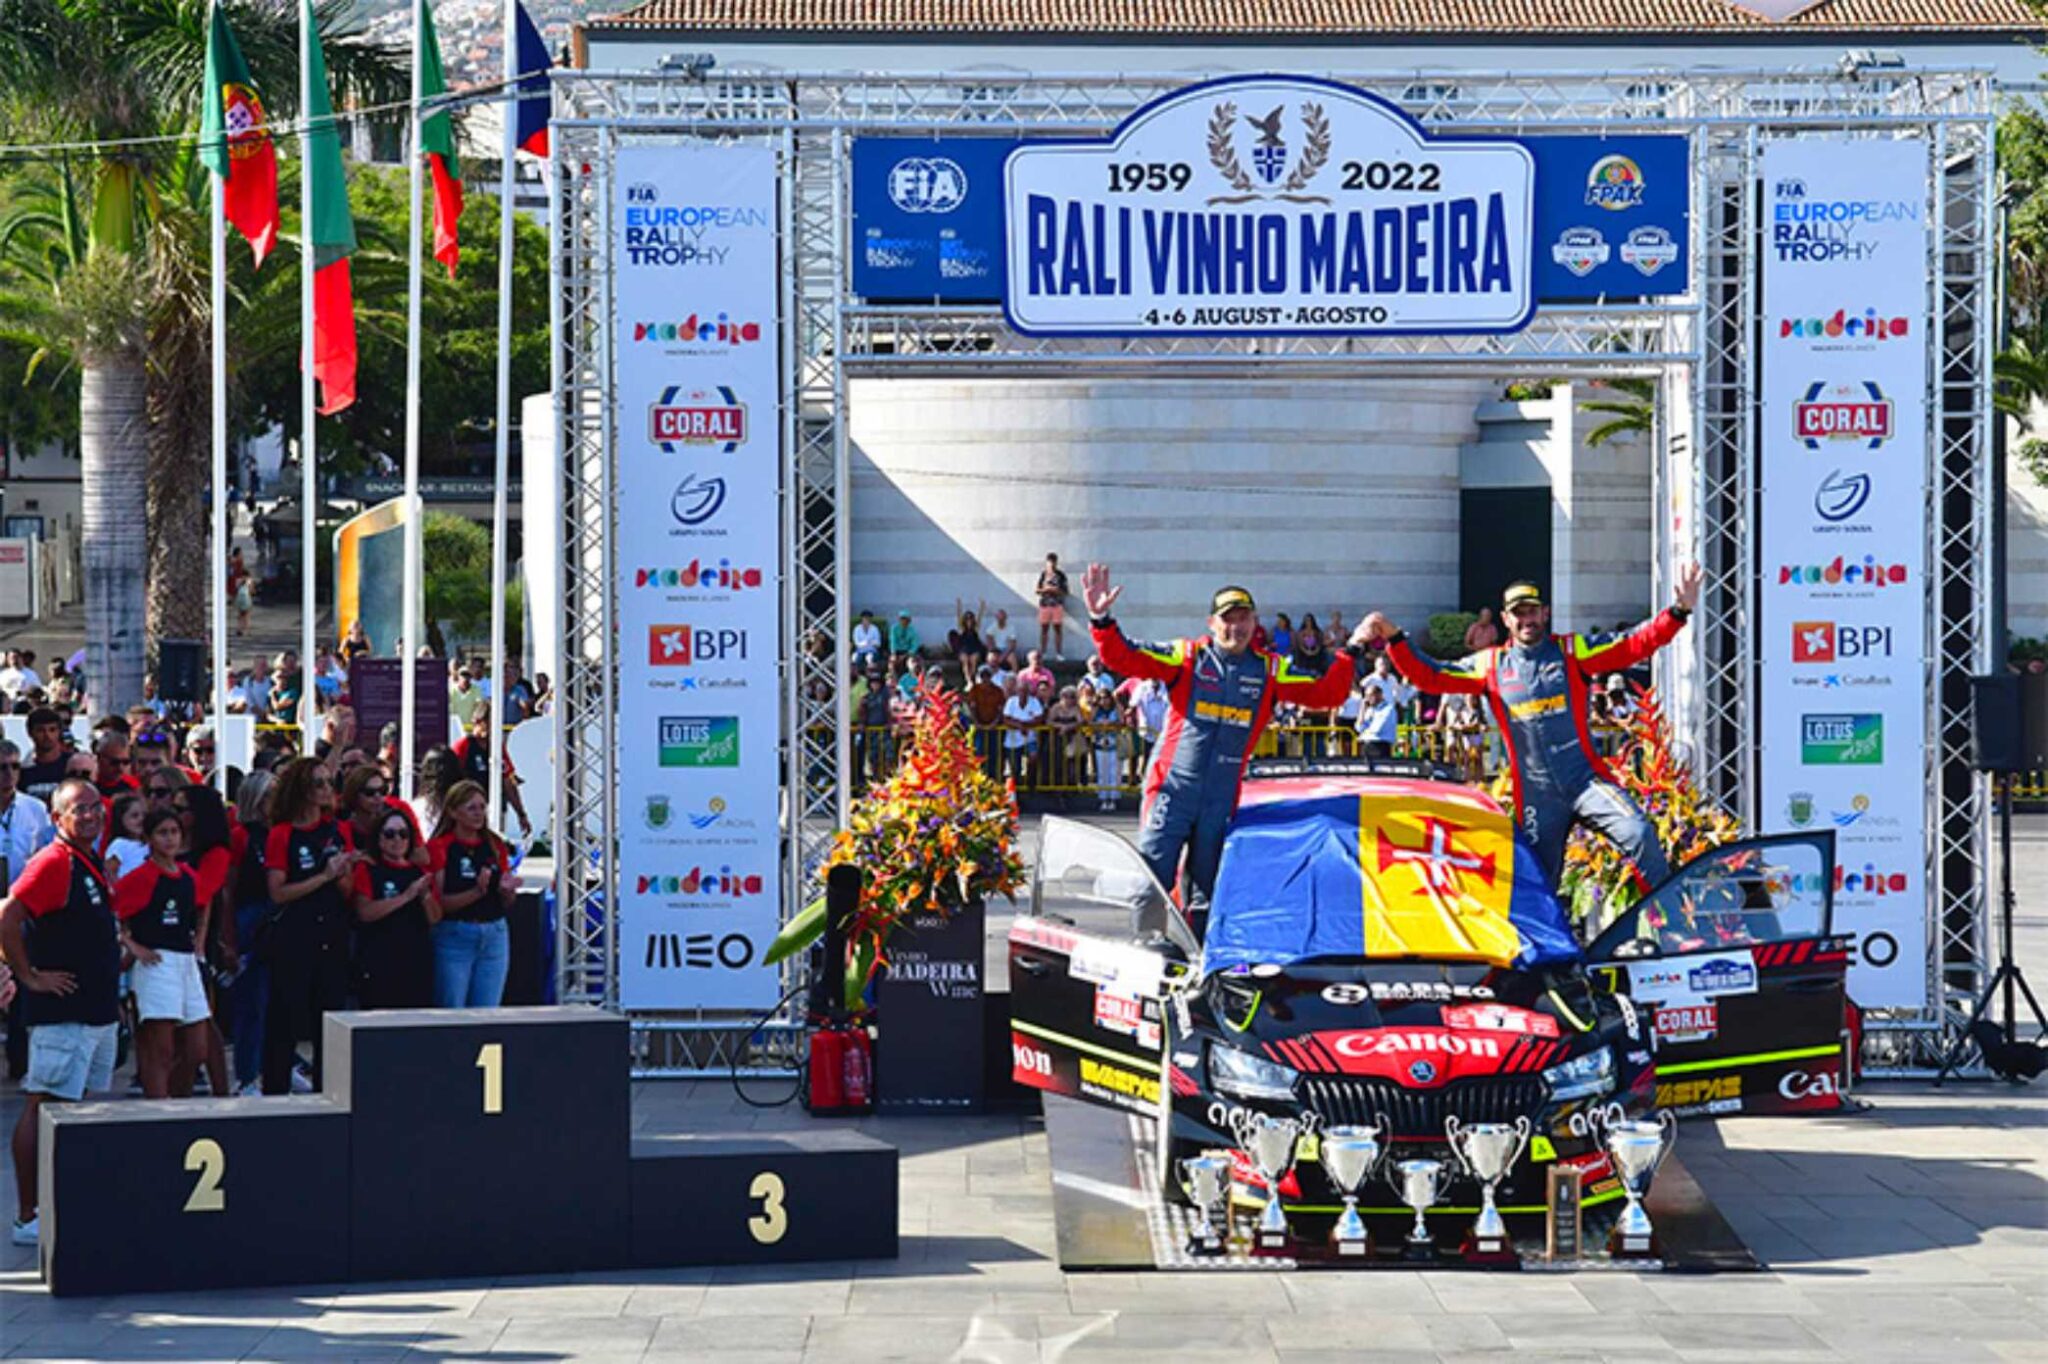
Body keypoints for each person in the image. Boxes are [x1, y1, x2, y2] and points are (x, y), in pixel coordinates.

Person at [1365, 564, 1703, 891]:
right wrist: (1395, 638)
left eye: (1532, 611)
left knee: (1639, 833)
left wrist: (1677, 611)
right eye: (1518, 613)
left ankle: (1665, 930)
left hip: (1586, 781)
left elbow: (1634, 643)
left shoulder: (1572, 651)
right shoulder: (1490, 664)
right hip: (1537, 797)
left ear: (1545, 613)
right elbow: (1431, 676)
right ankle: (1556, 948)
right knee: (1538, 886)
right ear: (1506, 620)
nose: (1526, 620)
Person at [1085, 565, 1364, 908]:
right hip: (1172, 790)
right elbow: (1123, 656)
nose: (1237, 627)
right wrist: (1101, 619)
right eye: (1228, 619)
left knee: (1208, 890)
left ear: (1255, 622)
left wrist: (1352, 650)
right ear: (1212, 624)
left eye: (1244, 618)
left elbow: (1327, 693)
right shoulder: (1187, 656)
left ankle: (1206, 957)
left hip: (1221, 796)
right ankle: (1151, 947)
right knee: (1153, 879)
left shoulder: (1271, 670)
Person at [3, 780, 121, 1246]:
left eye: (95, 808)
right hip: (62, 1011)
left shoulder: (87, 860)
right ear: (57, 818)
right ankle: (28, 1215)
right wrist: (29, 974)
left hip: (95, 1009)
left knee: (80, 1110)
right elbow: (8, 915)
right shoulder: (54, 861)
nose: (90, 816)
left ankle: (67, 1201)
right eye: (79, 810)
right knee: (44, 1104)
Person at [261, 757, 358, 1094]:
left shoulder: (336, 830)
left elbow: (348, 892)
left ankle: (328, 1092)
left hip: (332, 930)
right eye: (318, 783)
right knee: (284, 1018)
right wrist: (323, 876)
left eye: (329, 783)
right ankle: (274, 1091)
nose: (326, 790)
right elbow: (278, 892)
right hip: (295, 933)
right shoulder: (282, 834)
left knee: (329, 1019)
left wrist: (343, 875)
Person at [114, 809, 212, 1099]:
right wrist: (132, 946)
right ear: (149, 838)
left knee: (197, 1048)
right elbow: (111, 912)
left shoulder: (188, 875)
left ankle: (177, 1101)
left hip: (185, 962)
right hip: (156, 963)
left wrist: (200, 944)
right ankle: (159, 1106)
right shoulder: (140, 878)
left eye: (174, 832)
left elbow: (205, 903)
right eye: (162, 833)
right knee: (161, 1048)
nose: (170, 839)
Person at [429, 780, 516, 1009]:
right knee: (452, 1008)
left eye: (482, 807)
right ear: (453, 812)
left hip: (494, 932)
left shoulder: (494, 843)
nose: (479, 814)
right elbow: (440, 904)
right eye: (471, 808)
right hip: (456, 933)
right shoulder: (441, 847)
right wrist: (477, 891)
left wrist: (507, 891)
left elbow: (508, 900)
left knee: (487, 1010)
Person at [352, 806, 437, 1009]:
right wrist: (406, 896)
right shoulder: (368, 869)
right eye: (389, 834)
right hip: (379, 960)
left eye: (403, 834)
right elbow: (365, 912)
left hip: (415, 960)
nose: (397, 840)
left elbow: (435, 918)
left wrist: (425, 895)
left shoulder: (418, 872)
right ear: (379, 838)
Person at [228, 770, 274, 1095]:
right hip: (250, 918)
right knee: (252, 1001)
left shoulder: (284, 833)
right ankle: (246, 1074)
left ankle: (274, 1067)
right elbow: (229, 889)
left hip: (281, 919)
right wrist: (229, 934)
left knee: (277, 1001)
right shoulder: (242, 835)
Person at [20, 707, 72, 804]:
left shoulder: (72, 765)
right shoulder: (21, 771)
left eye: (52, 730)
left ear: (59, 731)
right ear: (30, 733)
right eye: (40, 730)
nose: (47, 735)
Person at [1001, 676, 1044, 787]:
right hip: (1012, 740)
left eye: (1025, 690)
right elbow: (1006, 719)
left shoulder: (1034, 701)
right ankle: (1017, 786)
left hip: (1030, 738)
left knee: (1033, 757)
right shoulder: (1011, 701)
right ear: (1016, 691)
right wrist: (1020, 726)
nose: (1022, 693)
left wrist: (1024, 725)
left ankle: (1030, 783)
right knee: (1014, 766)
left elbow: (1039, 718)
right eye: (1020, 690)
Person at [104, 791, 151, 881]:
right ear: (121, 819)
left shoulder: (149, 844)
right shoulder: (119, 844)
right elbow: (109, 872)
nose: (141, 819)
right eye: (134, 816)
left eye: (144, 815)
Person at [1355, 683, 1402, 760]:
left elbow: (1377, 729)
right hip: (1366, 745)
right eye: (1366, 696)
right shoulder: (1370, 710)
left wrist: (1364, 732)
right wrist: (1362, 709)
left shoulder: (1388, 710)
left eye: (1370, 695)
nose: (1367, 699)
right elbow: (1359, 728)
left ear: (1379, 695)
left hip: (1380, 746)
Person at [1035, 553, 1070, 658]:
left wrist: (1056, 591)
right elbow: (1037, 590)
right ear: (1047, 562)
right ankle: (1043, 652)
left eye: (1054, 562)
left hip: (1057, 605)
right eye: (1050, 562)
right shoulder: (1043, 574)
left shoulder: (1061, 575)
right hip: (1045, 605)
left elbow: (1066, 591)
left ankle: (1058, 653)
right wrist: (1046, 590)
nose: (1052, 564)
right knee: (1044, 629)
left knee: (1057, 629)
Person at [949, 602, 988, 678]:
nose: (969, 621)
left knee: (974, 660)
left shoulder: (975, 629)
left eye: (970, 619)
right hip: (964, 649)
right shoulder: (962, 629)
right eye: (967, 619)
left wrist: (982, 607)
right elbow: (959, 616)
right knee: (965, 661)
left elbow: (980, 616)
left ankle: (972, 676)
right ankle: (968, 680)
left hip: (974, 649)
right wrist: (959, 605)